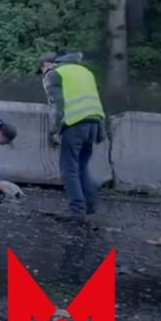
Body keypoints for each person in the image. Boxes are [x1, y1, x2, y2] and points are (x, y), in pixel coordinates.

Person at [39, 51, 106, 218]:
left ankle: (76, 210)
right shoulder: (84, 71)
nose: (42, 73)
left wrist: (53, 131)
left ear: (46, 64)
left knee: (68, 169)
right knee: (81, 166)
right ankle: (90, 205)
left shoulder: (53, 73)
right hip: (94, 122)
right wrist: (101, 130)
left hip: (75, 124)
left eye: (41, 69)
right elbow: (94, 99)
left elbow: (57, 105)